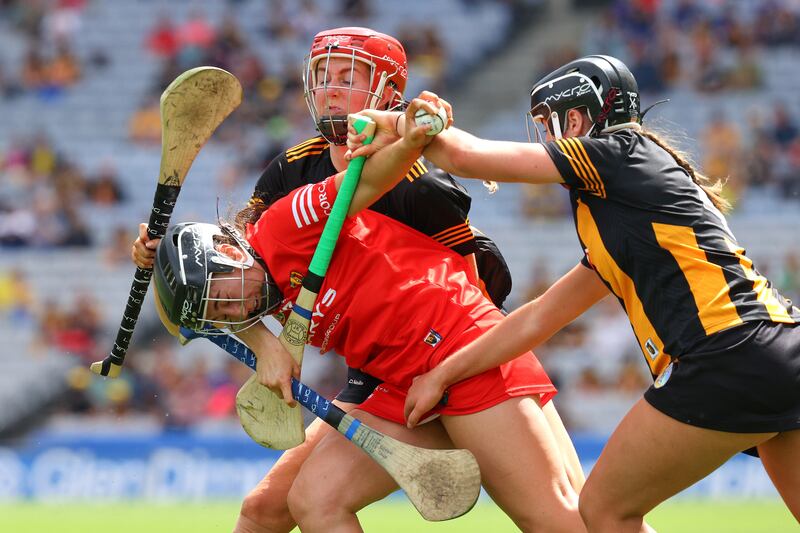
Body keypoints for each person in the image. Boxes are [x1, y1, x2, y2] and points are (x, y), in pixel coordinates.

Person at [348, 54, 800, 531]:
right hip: (781, 350)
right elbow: (540, 317)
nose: (544, 138)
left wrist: (396, 123)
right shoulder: (623, 208)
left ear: (579, 118)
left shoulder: (615, 152)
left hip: (726, 354)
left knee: (603, 509)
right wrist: (443, 374)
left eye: (548, 124)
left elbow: (462, 155)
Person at [130, 27, 548, 533]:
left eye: (348, 77)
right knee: (266, 509)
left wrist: (452, 366)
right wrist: (168, 263)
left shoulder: (422, 186)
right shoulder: (290, 170)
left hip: (445, 348)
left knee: (559, 516)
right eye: (322, 76)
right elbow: (233, 277)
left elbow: (481, 275)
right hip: (376, 366)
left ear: (387, 93)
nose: (330, 88)